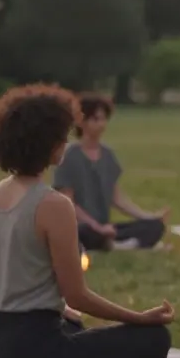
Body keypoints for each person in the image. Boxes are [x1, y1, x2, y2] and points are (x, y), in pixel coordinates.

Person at [0, 85, 174, 358]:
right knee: (154, 339)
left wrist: (63, 311)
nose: (67, 141)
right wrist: (139, 318)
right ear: (50, 143)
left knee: (72, 323)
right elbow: (78, 295)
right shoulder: (53, 204)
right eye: (63, 135)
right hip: (30, 354)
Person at [52, 93, 167, 251]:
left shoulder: (108, 155)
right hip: (81, 227)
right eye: (96, 119)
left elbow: (117, 198)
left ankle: (120, 245)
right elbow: (68, 203)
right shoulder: (69, 155)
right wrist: (97, 227)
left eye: (104, 119)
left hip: (105, 228)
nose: (102, 124)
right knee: (84, 232)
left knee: (154, 227)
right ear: (81, 121)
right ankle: (118, 244)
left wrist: (147, 216)